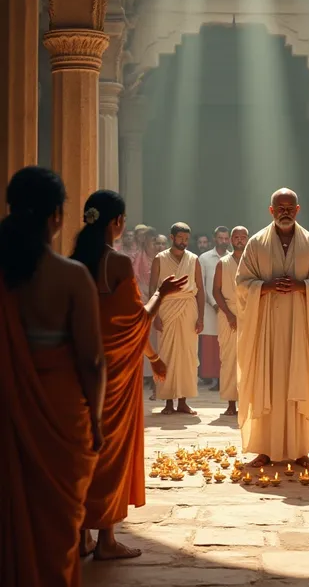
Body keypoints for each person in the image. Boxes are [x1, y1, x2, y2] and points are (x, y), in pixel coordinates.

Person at [0, 166, 105, 587]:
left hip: (7, 410)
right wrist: (96, 422)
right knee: (55, 530)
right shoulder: (71, 276)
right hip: (60, 417)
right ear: (57, 217)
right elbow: (92, 361)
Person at [71, 191, 187, 560]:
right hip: (115, 374)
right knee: (110, 452)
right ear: (116, 222)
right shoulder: (117, 264)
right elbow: (137, 319)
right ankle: (105, 539)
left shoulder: (73, 262)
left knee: (85, 449)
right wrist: (164, 293)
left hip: (79, 366)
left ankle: (82, 534)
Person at [236, 188, 309, 468]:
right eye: (280, 207)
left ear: (298, 210)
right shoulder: (256, 244)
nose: (285, 212)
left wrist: (303, 286)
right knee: (268, 381)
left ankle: (301, 450)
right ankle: (264, 448)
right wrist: (264, 286)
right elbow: (242, 284)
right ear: (271, 211)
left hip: (299, 330)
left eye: (290, 207)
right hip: (266, 330)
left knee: (299, 380)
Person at [149, 222, 205, 415]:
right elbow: (152, 289)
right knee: (166, 355)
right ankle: (167, 402)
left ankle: (183, 401)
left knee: (187, 356)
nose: (184, 242)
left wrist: (201, 318)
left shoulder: (194, 259)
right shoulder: (160, 258)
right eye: (180, 238)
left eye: (186, 239)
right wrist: (154, 315)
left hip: (188, 309)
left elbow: (200, 289)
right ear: (171, 237)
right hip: (166, 308)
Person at [213, 226, 249, 416]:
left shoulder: (253, 263)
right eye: (236, 237)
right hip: (227, 314)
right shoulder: (222, 263)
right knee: (228, 359)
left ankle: (246, 401)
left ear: (248, 239)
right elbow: (216, 291)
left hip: (249, 314)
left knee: (248, 358)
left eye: (243, 237)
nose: (240, 240)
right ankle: (230, 403)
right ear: (231, 240)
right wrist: (228, 314)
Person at [199, 226, 231, 390]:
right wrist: (213, 303)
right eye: (221, 238)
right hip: (210, 308)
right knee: (212, 344)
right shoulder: (204, 258)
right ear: (214, 239)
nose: (224, 241)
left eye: (226, 238)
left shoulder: (233, 258)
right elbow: (201, 285)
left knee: (227, 344)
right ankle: (215, 379)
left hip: (229, 308)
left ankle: (224, 379)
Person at [134, 227, 159, 392]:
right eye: (152, 242)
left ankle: (155, 378)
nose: (155, 245)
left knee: (157, 341)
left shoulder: (161, 258)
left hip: (159, 301)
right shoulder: (137, 259)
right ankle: (143, 376)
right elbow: (134, 279)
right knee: (143, 339)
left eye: (156, 242)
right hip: (142, 302)